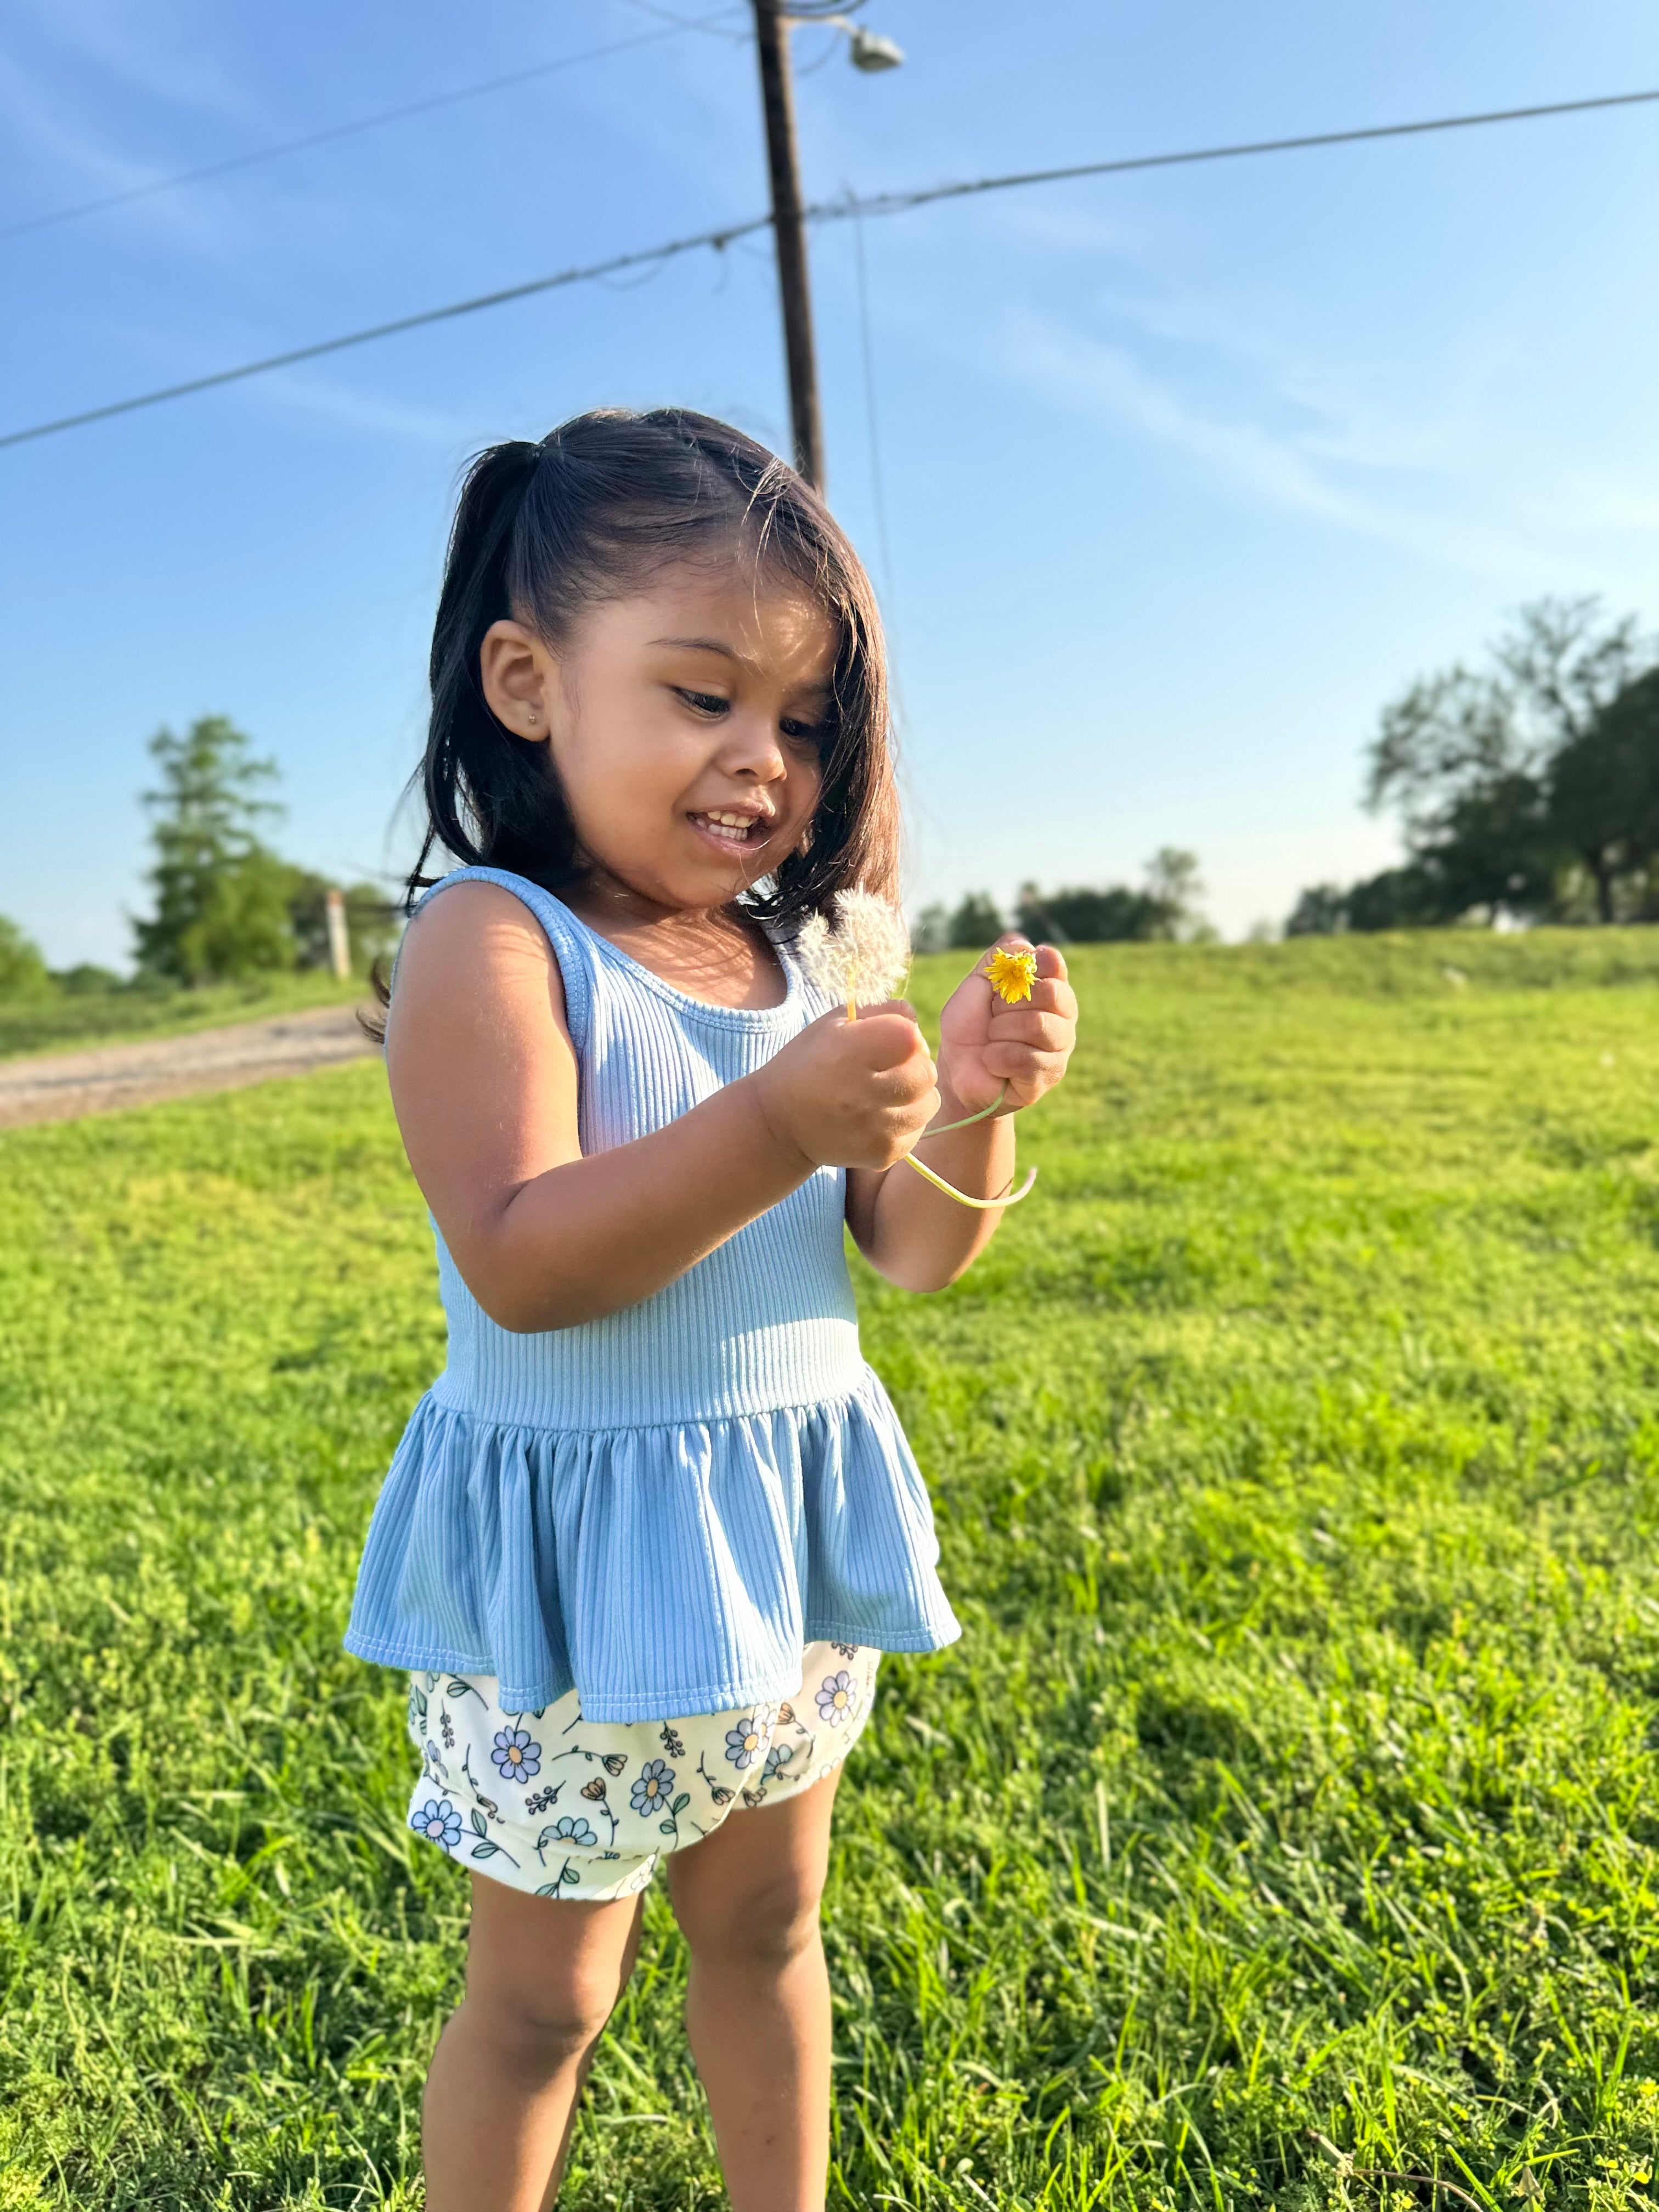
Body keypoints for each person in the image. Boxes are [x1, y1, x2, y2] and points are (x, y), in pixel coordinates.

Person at [345, 407, 1078, 2211]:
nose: (763, 759)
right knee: (542, 1999)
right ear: (530, 682)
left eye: (806, 722)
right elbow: (526, 1259)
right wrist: (773, 1118)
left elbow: (898, 1251)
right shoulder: (495, 943)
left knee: (768, 1930)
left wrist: (967, 1107)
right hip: (581, 1587)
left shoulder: (799, 961)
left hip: (776, 1551)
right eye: (703, 695)